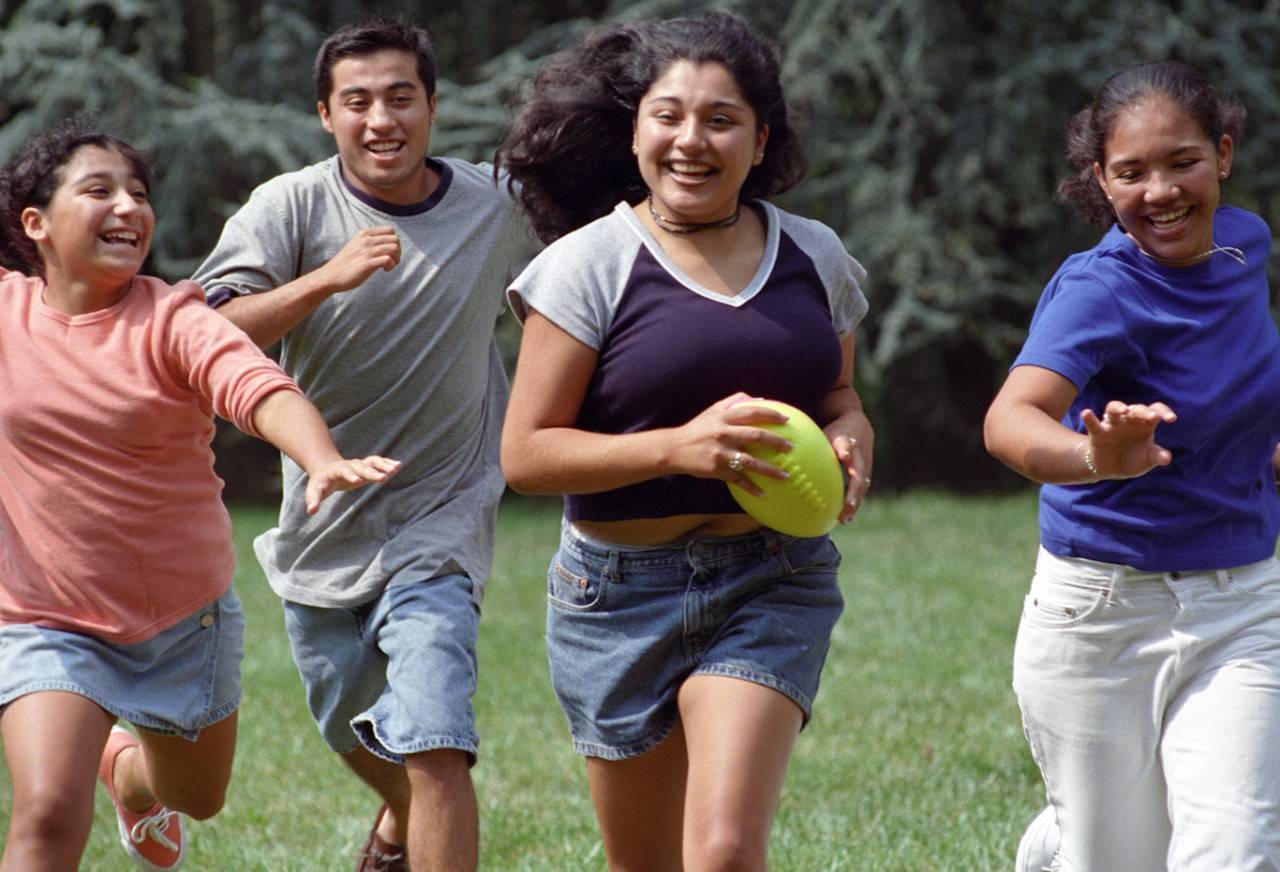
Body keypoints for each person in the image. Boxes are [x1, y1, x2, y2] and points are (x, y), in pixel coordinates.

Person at [495, 11, 872, 870]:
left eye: (721, 119)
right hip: (616, 597)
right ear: (634, 133)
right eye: (668, 116)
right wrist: (676, 449)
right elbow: (526, 455)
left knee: (727, 851)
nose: (690, 141)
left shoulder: (815, 256)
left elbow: (841, 396)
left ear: (759, 137)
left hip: (770, 577)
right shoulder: (587, 266)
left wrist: (852, 440)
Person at [0, 120, 398, 872]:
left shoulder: (172, 318)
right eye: (100, 191)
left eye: (138, 193)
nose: (129, 208)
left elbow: (259, 389)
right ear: (36, 224)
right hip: (44, 618)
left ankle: (130, 779)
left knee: (197, 796)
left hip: (181, 621)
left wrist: (319, 457)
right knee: (48, 810)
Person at [192, 16, 534, 872]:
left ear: (432, 106)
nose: (381, 119)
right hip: (324, 520)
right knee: (345, 722)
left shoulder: (496, 210)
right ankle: (396, 826)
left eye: (400, 98)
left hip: (443, 519)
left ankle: (418, 815)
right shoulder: (292, 206)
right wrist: (324, 278)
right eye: (358, 102)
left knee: (436, 740)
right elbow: (207, 332)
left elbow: (584, 288)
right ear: (325, 114)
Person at [985, 60, 1280, 871]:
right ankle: (1061, 845)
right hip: (1102, 613)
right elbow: (1008, 422)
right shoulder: (1097, 290)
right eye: (1131, 173)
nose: (1161, 192)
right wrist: (1094, 457)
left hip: (1242, 605)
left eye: (1182, 161)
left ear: (1222, 153)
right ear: (1101, 182)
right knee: (1115, 860)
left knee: (1236, 850)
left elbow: (1235, 378)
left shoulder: (1245, 244)